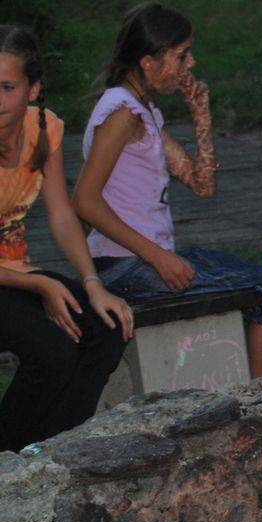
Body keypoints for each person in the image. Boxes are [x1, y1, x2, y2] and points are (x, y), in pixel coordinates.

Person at [73, 2, 262, 379]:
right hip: (124, 266)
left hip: (141, 260)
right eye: (181, 54)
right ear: (148, 61)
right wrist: (159, 258)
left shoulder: (145, 113)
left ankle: (257, 392)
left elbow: (201, 184)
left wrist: (201, 114)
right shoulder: (122, 113)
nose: (190, 63)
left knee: (261, 279)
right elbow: (84, 201)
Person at [0, 25, 132, 453]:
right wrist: (43, 284)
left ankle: (57, 450)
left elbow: (60, 213)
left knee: (105, 328)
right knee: (52, 351)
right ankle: (9, 456)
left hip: (13, 273)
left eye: (7, 87)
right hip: (18, 280)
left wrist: (92, 283)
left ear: (33, 88)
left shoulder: (45, 130)